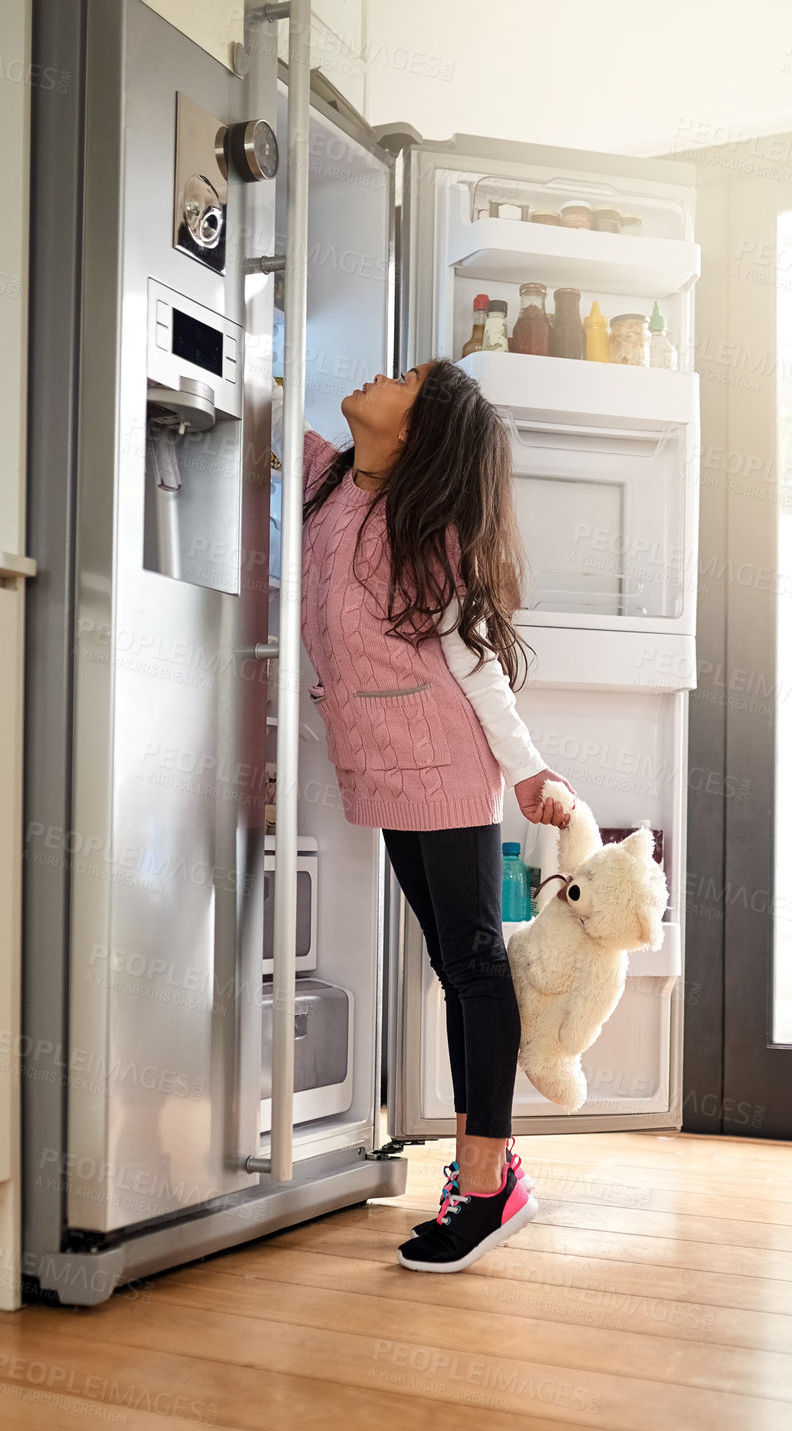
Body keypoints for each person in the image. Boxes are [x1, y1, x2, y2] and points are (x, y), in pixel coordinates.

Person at [294, 359, 576, 1272]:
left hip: (445, 762)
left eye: (406, 379)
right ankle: (484, 1171)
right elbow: (239, 398)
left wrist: (527, 773)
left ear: (414, 431)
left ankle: (490, 1183)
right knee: (455, 964)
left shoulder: (429, 529)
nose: (382, 373)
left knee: (473, 961)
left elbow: (475, 663)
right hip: (382, 764)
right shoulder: (331, 480)